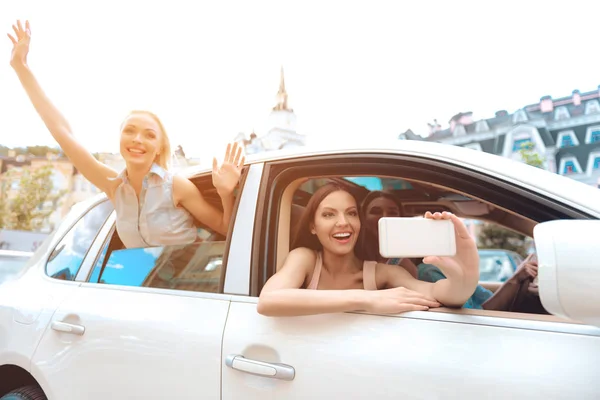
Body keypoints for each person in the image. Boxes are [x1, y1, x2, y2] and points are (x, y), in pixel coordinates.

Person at [7, 20, 244, 249]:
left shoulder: (177, 186)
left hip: (188, 286)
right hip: (139, 287)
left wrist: (225, 192)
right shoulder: (114, 186)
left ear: (160, 147)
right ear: (120, 139)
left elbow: (226, 229)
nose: (138, 139)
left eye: (149, 135)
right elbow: (62, 132)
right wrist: (21, 68)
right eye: (130, 131)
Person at [257, 183, 480, 317]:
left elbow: (439, 294)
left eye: (352, 213)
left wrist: (465, 278)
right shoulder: (305, 258)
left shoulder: (383, 274)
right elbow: (268, 301)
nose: (343, 222)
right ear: (313, 227)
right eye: (328, 214)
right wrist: (368, 299)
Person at [360, 190, 419, 278]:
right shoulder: (350, 255)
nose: (384, 217)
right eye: (376, 212)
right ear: (363, 218)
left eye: (392, 213)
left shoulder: (404, 265)